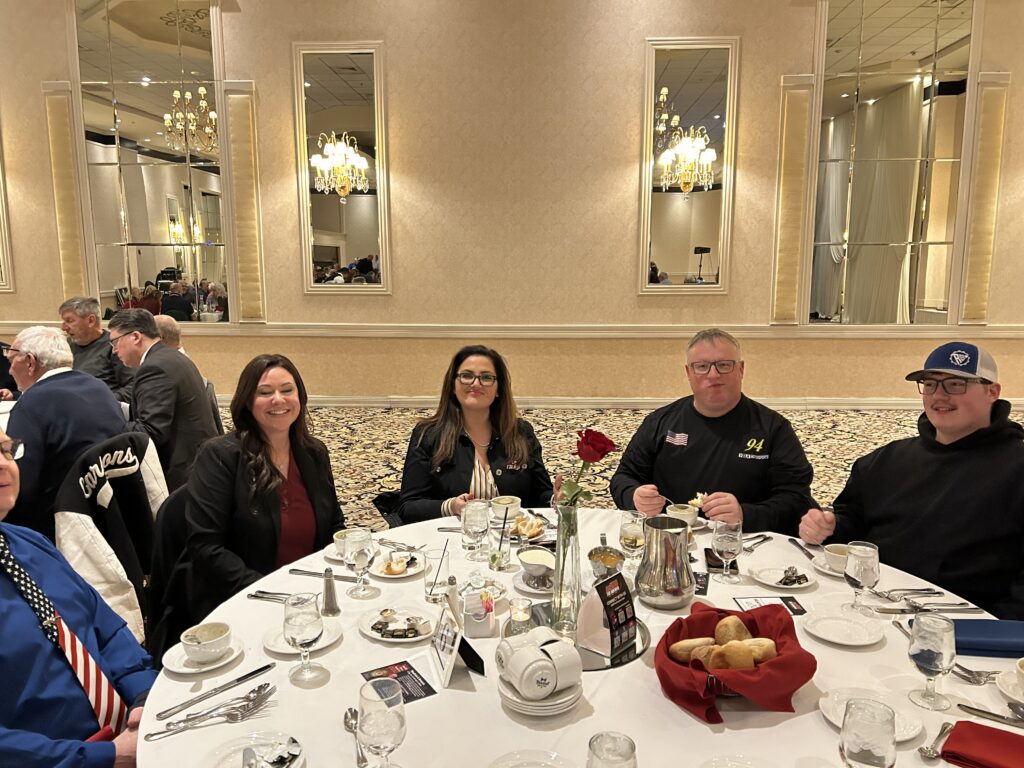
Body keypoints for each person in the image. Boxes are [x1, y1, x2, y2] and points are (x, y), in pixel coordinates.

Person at [799, 341, 1024, 619]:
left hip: (962, 623)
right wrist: (827, 526)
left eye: (955, 384)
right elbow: (852, 522)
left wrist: (995, 632)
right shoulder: (887, 459)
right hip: (869, 607)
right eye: (930, 384)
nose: (939, 395)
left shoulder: (1016, 468)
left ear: (992, 392)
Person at [0, 425, 156, 768]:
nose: (3, 463)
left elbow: (106, 629)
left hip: (133, 733)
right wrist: (107, 756)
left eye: (6, 450)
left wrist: (144, 695)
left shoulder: (31, 543)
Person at [184, 354, 345, 620]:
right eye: (265, 392)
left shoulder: (314, 453)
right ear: (247, 401)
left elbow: (334, 523)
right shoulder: (220, 456)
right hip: (247, 598)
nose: (278, 400)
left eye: (287, 390)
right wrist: (273, 592)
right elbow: (206, 548)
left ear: (300, 397)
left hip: (310, 592)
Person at [610, 328, 814, 534]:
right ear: (688, 373)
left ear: (741, 369)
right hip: (668, 537)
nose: (713, 375)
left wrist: (745, 514)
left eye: (724, 365)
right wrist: (633, 496)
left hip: (742, 541)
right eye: (702, 366)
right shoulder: (660, 422)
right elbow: (624, 476)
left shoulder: (773, 429)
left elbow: (797, 499)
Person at [399, 345, 554, 522]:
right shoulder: (427, 435)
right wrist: (451, 506)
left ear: (498, 389)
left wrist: (556, 499)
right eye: (466, 376)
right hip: (451, 534)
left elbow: (541, 493)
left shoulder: (521, 432)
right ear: (452, 385)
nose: (476, 383)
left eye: (486, 377)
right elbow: (408, 507)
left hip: (513, 535)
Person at [3, 327, 125, 539]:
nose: (10, 371)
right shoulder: (99, 387)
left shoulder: (32, 403)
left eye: (12, 361)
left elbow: (20, 487)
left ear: (30, 362)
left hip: (54, 527)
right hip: (106, 514)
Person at [109, 309, 219, 491]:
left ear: (135, 336)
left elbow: (150, 433)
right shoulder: (170, 356)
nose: (113, 350)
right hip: (199, 463)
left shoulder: (154, 367)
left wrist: (107, 421)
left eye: (115, 342)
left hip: (182, 478)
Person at [59, 296, 134, 402]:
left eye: (69, 321)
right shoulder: (66, 345)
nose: (64, 328)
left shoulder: (115, 346)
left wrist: (101, 402)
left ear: (91, 321)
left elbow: (132, 386)